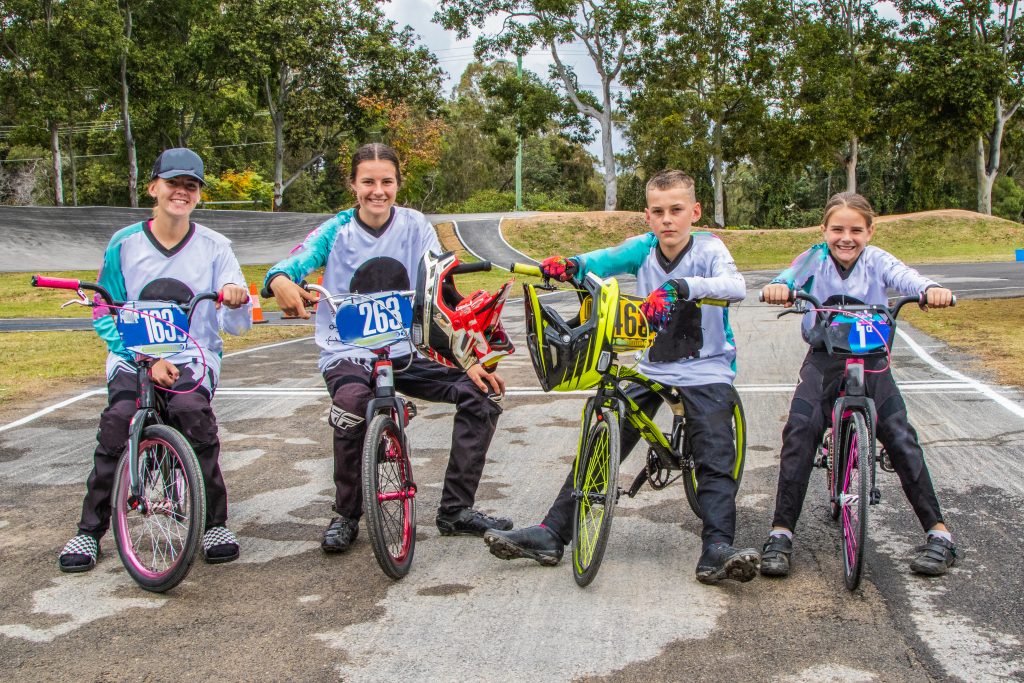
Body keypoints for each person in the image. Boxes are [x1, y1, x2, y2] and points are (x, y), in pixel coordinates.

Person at [485, 169, 760, 585]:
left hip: (706, 369)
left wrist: (681, 286)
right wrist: (572, 265)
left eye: (676, 210)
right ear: (647, 216)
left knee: (715, 454)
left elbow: (735, 286)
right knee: (601, 432)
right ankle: (551, 533)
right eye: (657, 211)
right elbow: (604, 259)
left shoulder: (709, 249)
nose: (667, 219)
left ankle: (717, 548)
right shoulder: (644, 248)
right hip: (652, 367)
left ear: (695, 212)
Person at [263, 142, 512, 553]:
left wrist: (468, 361)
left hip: (405, 350)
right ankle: (346, 514)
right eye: (368, 182)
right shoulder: (336, 229)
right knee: (350, 408)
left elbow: (442, 292)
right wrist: (280, 281)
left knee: (480, 397)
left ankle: (455, 510)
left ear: (398, 184)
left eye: (386, 181)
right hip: (349, 352)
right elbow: (294, 262)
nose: (377, 191)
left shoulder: (416, 226)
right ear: (353, 185)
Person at [59, 147, 252, 572]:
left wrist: (236, 299)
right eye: (173, 184)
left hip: (190, 355)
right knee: (119, 420)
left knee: (190, 410)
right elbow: (102, 310)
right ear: (153, 188)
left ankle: (214, 523)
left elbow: (237, 325)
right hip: (135, 355)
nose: (181, 192)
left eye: (191, 186)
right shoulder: (124, 243)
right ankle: (88, 532)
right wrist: (143, 358)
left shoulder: (216, 247)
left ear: (199, 195)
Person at [759, 191, 957, 577]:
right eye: (837, 229)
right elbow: (785, 279)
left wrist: (930, 290)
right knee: (800, 431)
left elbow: (908, 278)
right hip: (824, 358)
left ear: (870, 231)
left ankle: (939, 534)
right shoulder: (813, 259)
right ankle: (780, 533)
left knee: (900, 437)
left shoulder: (878, 260)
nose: (845, 238)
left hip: (873, 361)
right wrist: (778, 288)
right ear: (824, 230)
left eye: (855, 230)